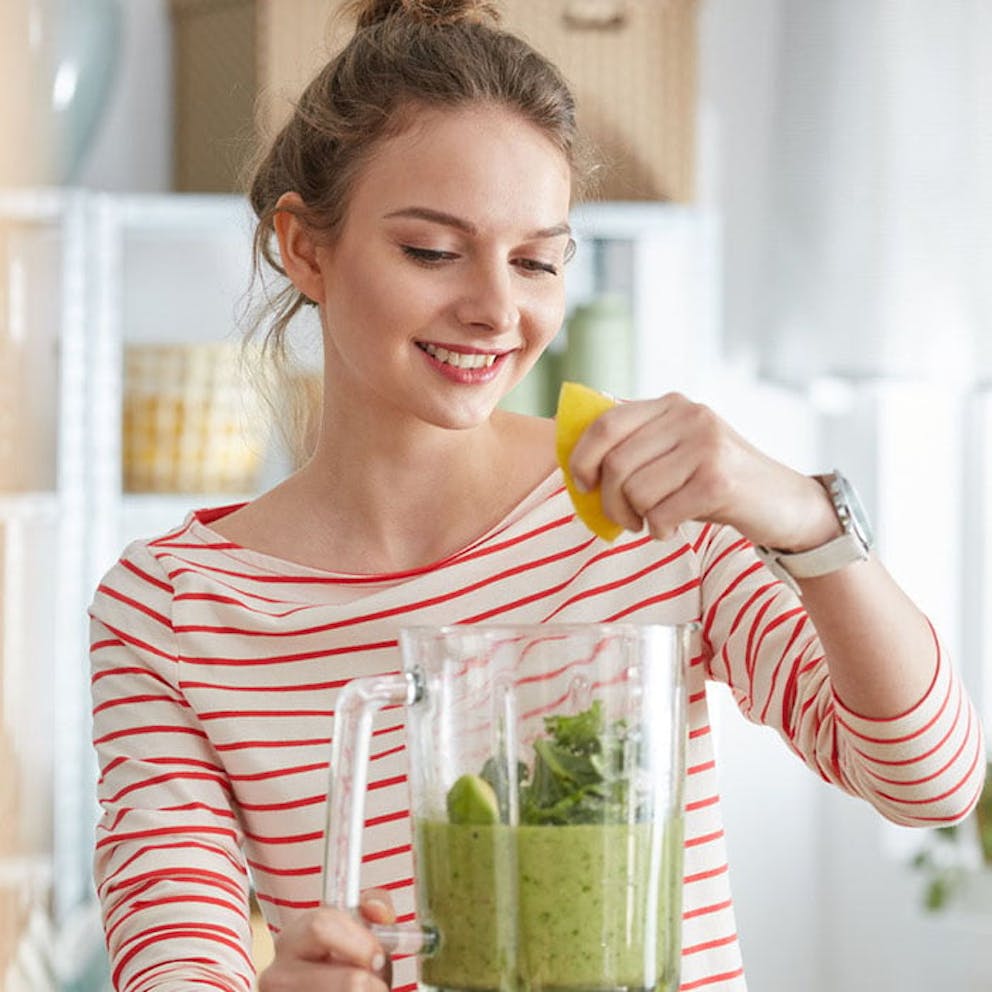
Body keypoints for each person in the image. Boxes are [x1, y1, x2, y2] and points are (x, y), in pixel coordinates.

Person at [88, 1, 986, 990]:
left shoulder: (641, 513)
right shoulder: (171, 611)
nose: (496, 308)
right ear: (304, 247)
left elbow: (928, 778)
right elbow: (174, 956)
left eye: (535, 260)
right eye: (431, 250)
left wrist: (807, 520)